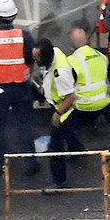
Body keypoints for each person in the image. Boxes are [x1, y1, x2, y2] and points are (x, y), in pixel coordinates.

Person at [0, 0, 39, 176]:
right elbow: (30, 60)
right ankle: (30, 163)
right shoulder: (25, 36)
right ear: (14, 15)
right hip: (21, 87)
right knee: (24, 126)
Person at [34, 37, 84, 190]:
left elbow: (70, 97)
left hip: (63, 109)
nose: (36, 62)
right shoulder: (55, 51)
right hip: (62, 106)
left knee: (55, 147)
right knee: (68, 132)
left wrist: (58, 113)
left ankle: (59, 181)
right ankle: (78, 151)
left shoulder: (60, 73)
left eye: (38, 59)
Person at [67, 27, 110, 131]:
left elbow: (66, 87)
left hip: (83, 106)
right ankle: (95, 120)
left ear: (71, 44)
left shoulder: (71, 61)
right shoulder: (101, 56)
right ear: (87, 40)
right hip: (104, 102)